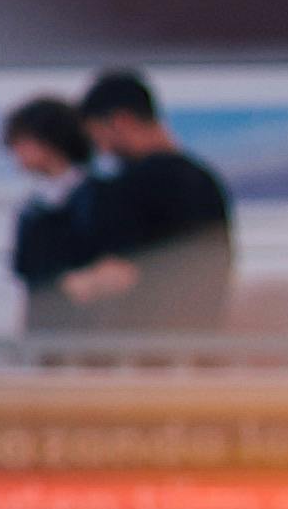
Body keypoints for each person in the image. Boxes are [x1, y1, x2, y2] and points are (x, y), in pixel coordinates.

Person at [57, 64, 239, 327]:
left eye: (98, 135)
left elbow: (121, 272)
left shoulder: (132, 184)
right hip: (201, 336)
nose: (102, 149)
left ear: (121, 121)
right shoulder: (203, 178)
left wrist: (75, 285)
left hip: (146, 345)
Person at [0, 91, 105, 326]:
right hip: (45, 328)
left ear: (48, 141)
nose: (15, 153)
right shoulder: (32, 208)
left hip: (92, 327)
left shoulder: (100, 196)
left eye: (20, 142)